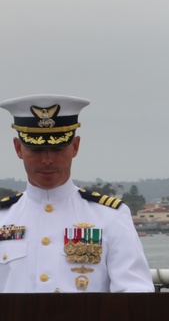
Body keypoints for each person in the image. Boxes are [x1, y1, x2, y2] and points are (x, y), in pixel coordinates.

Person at [0, 94, 153, 293]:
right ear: (18, 148)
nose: (47, 160)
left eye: (57, 148)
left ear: (75, 146)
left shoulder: (110, 216)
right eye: (36, 150)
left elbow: (135, 291)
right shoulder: (3, 218)